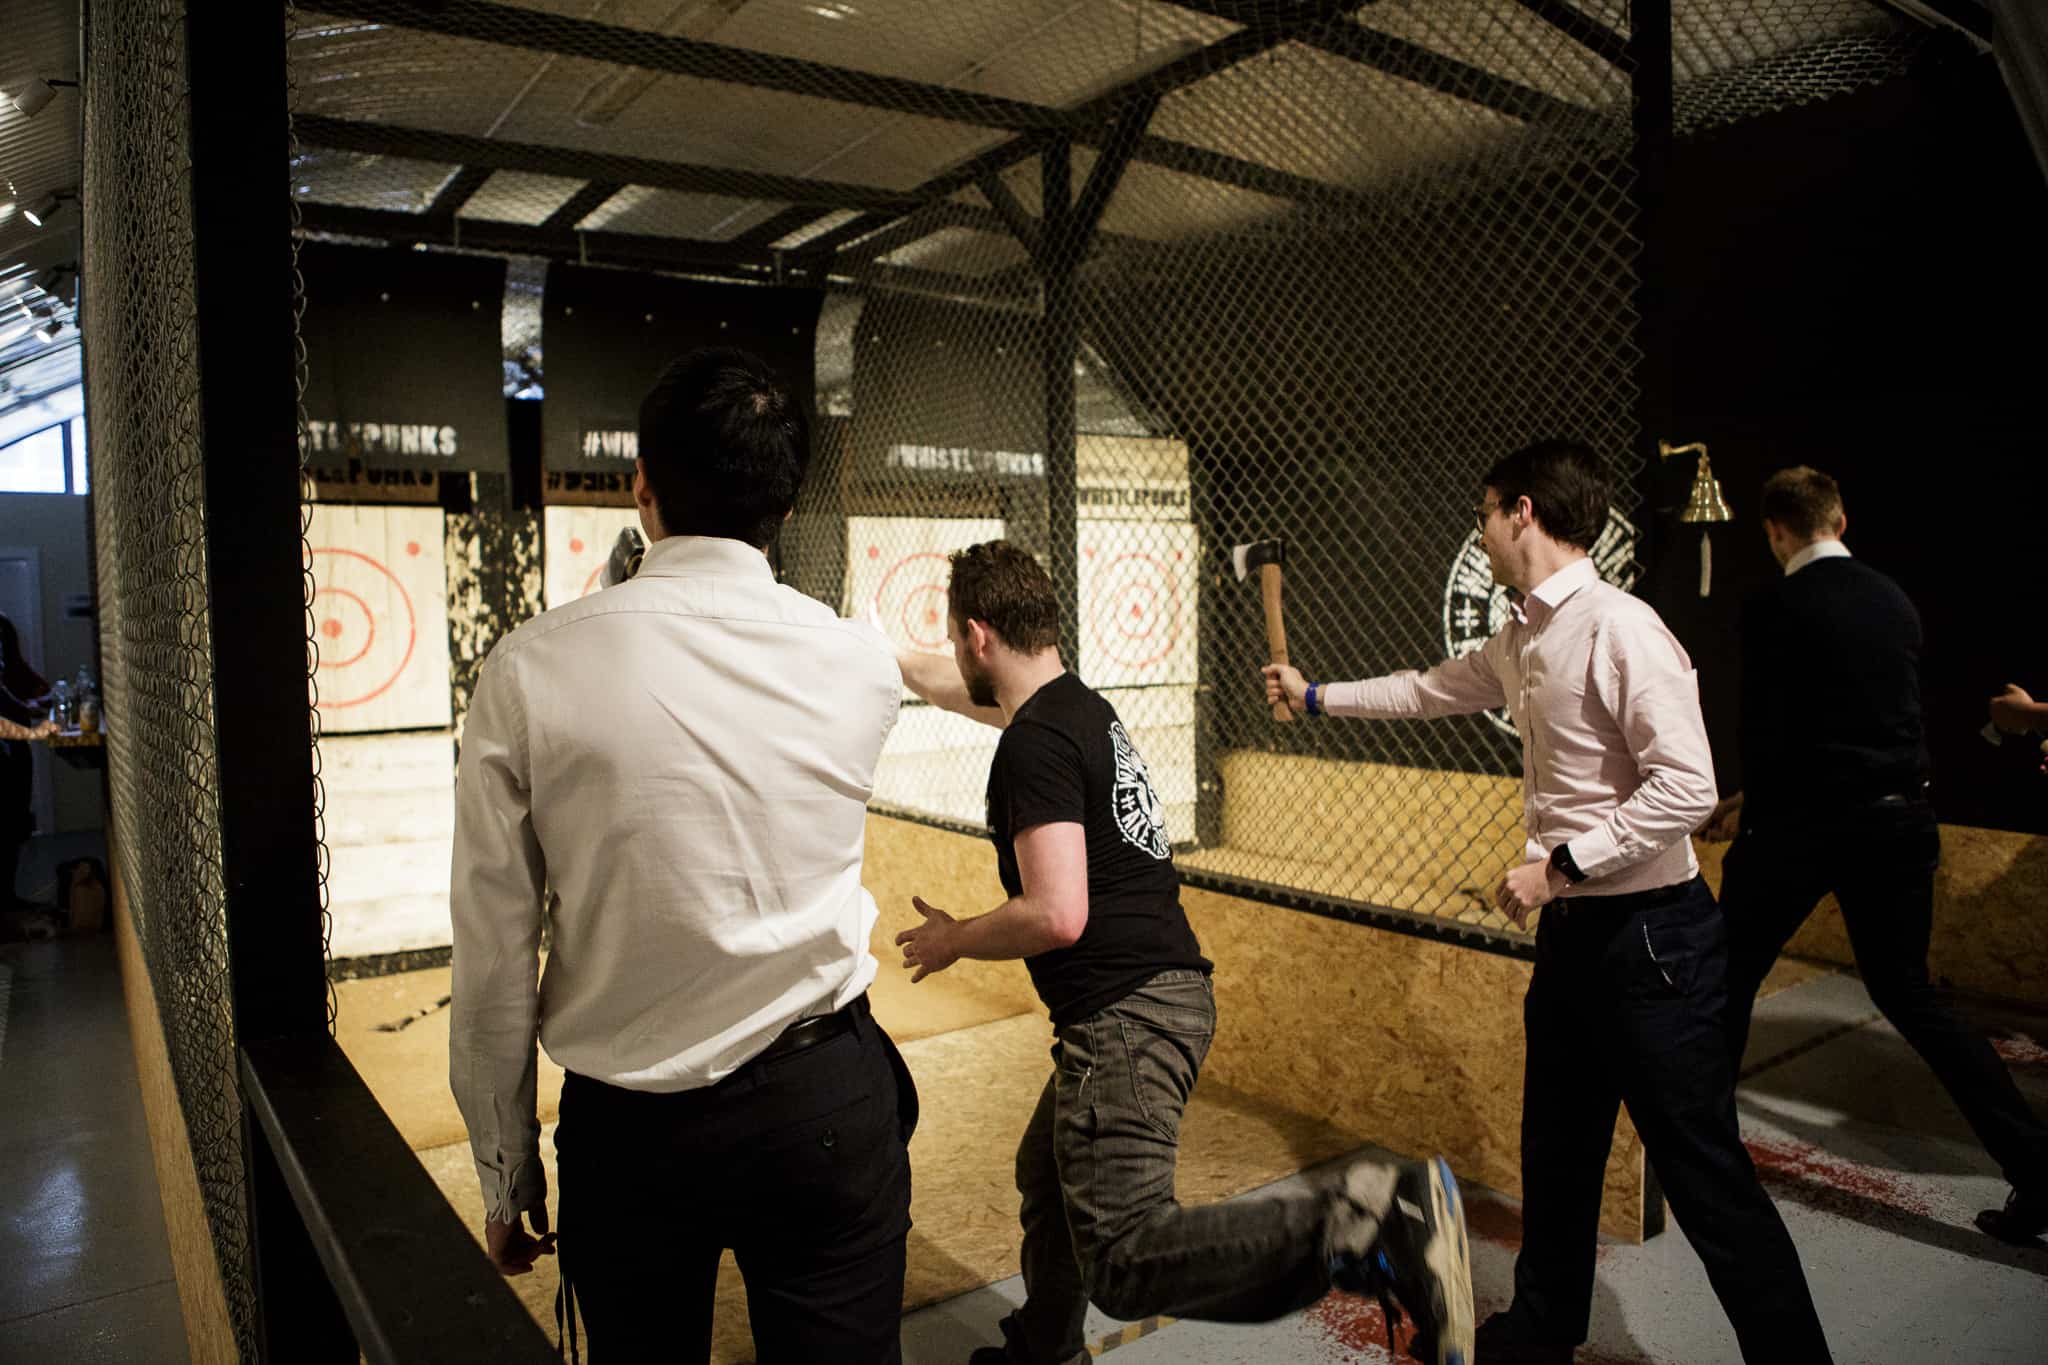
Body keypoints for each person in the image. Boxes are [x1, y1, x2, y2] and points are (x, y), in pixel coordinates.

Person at [1265, 440, 1831, 1364]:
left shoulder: (1620, 627)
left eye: (1486, 511)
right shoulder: (1524, 634)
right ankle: (1541, 1331)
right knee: (1558, 1158)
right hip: (1578, 945)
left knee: (1706, 1179)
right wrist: (1318, 695)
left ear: (1522, 512)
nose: (1479, 529)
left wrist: (1561, 865)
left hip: (1657, 943)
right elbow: (1427, 691)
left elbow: (1688, 786)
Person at [449, 347, 918, 1364]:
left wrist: (504, 1170)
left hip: (632, 1130)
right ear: (785, 504)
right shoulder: (858, 664)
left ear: (640, 491)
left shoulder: (528, 669)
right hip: (822, 1101)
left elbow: (491, 952)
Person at [897, 539, 1473, 1365]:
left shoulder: (1034, 743)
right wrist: (879, 657)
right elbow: (958, 692)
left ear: (979, 635)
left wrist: (956, 937)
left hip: (1123, 1012)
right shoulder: (1080, 710)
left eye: (958, 639)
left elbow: (1057, 913)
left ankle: (1368, 1217)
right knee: (1048, 1173)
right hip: (1163, 991)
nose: (957, 655)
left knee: (1127, 1260)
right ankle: (1042, 1347)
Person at [1704, 466, 2048, 1247]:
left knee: (1723, 980)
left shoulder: (1774, 605)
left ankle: (1707, 1158)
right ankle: (2038, 1166)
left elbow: (1769, 731)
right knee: (1911, 996)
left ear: (1774, 531)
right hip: (1898, 822)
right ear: (1841, 518)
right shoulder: (1893, 600)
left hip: (1801, 825)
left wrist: (1748, 804)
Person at [0, 615, 55, 910]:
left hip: (13, 744)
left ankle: (7, 897)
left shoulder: (3, 627)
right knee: (7, 821)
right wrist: (28, 707)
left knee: (14, 820)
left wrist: (39, 695)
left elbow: (19, 672)